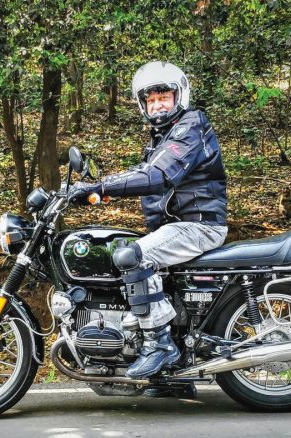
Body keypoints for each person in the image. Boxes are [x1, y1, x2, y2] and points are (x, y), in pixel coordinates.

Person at [69, 61, 228, 388]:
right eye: (150, 99)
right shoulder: (162, 137)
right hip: (177, 225)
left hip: (198, 225)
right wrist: (99, 190)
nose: (157, 104)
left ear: (179, 96)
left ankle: (159, 344)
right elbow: (143, 175)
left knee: (131, 256)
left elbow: (158, 176)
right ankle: (170, 378)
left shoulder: (189, 126)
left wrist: (101, 188)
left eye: (163, 97)